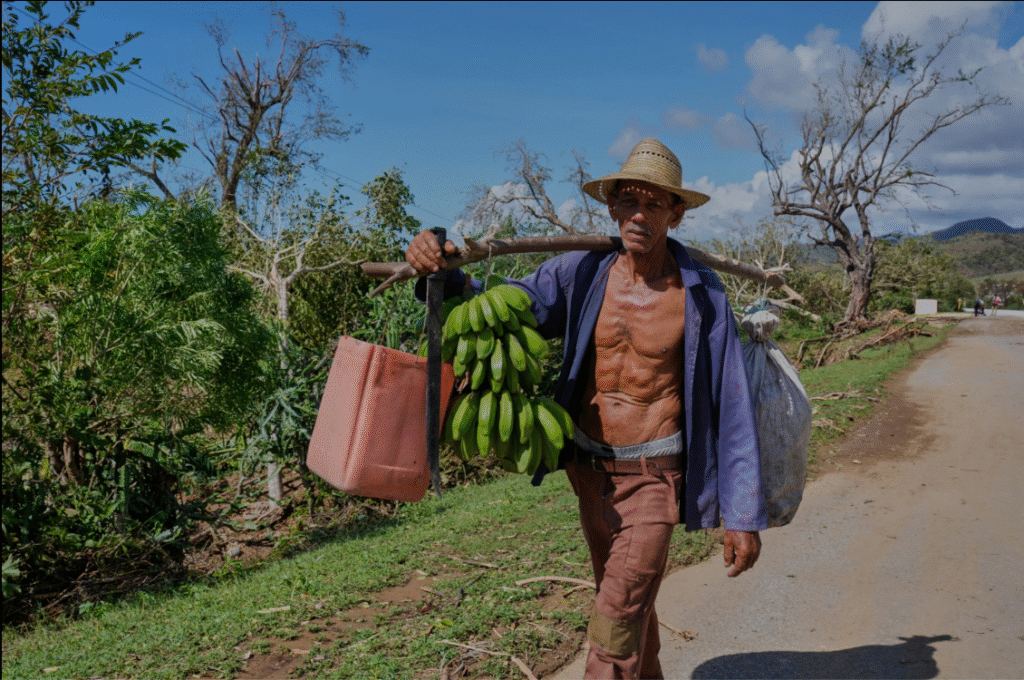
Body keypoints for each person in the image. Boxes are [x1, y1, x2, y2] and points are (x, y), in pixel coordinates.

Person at [406, 139, 766, 679]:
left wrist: (741, 513)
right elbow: (504, 310)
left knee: (616, 616)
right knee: (623, 604)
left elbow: (733, 403)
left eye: (653, 204)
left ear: (677, 212)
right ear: (611, 206)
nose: (638, 215)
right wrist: (442, 267)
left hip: (655, 479)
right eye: (627, 201)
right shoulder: (579, 274)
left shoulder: (702, 296)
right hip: (589, 473)